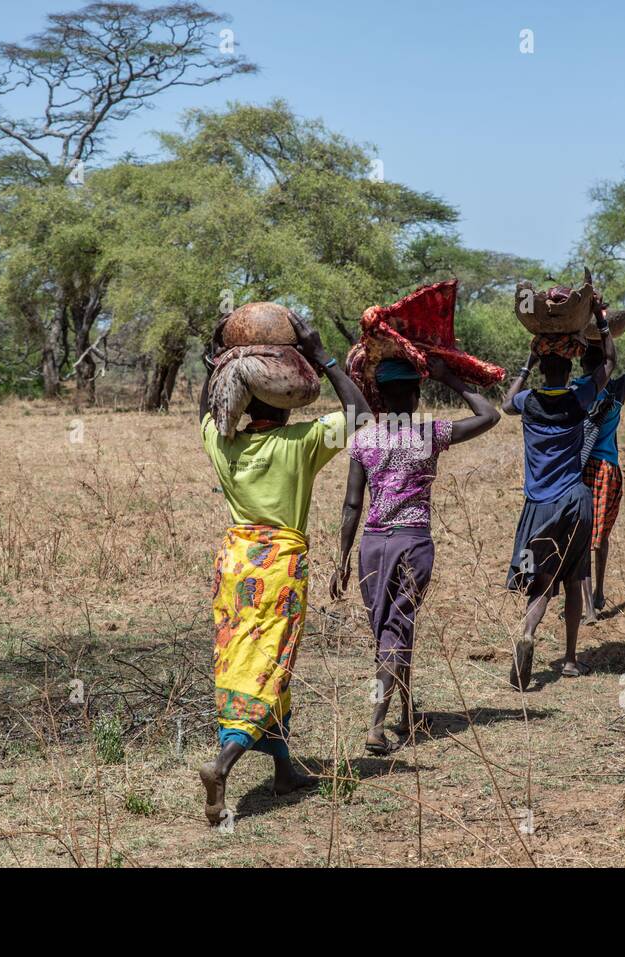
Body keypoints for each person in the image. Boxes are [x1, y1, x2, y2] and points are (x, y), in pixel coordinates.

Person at [197, 311, 370, 826]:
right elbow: (360, 414)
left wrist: (219, 358)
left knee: (244, 659)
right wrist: (325, 356)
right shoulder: (300, 445)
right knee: (271, 662)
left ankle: (283, 769)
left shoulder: (221, 441)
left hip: (234, 566)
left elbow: (203, 413)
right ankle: (223, 762)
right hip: (279, 567)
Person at [329, 356, 499, 754]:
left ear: (381, 397)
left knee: (389, 629)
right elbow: (489, 415)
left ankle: (405, 713)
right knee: (397, 628)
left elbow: (352, 504)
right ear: (416, 395)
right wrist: (451, 378)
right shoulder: (428, 433)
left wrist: (340, 558)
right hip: (412, 542)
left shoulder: (364, 439)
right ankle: (376, 725)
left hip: (372, 545)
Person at [502, 322, 613, 690]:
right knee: (574, 576)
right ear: (568, 370)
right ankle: (569, 659)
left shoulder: (528, 401)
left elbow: (504, 403)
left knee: (540, 579)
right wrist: (600, 320)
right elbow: (609, 362)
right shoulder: (579, 397)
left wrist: (526, 364)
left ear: (542, 368)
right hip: (576, 502)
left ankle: (528, 630)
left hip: (539, 507)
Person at [579, 312, 625, 622]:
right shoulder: (617, 390)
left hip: (580, 469)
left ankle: (587, 605)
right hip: (609, 470)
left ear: (582, 365)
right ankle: (597, 594)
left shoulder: (577, 390)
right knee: (601, 535)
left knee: (580, 537)